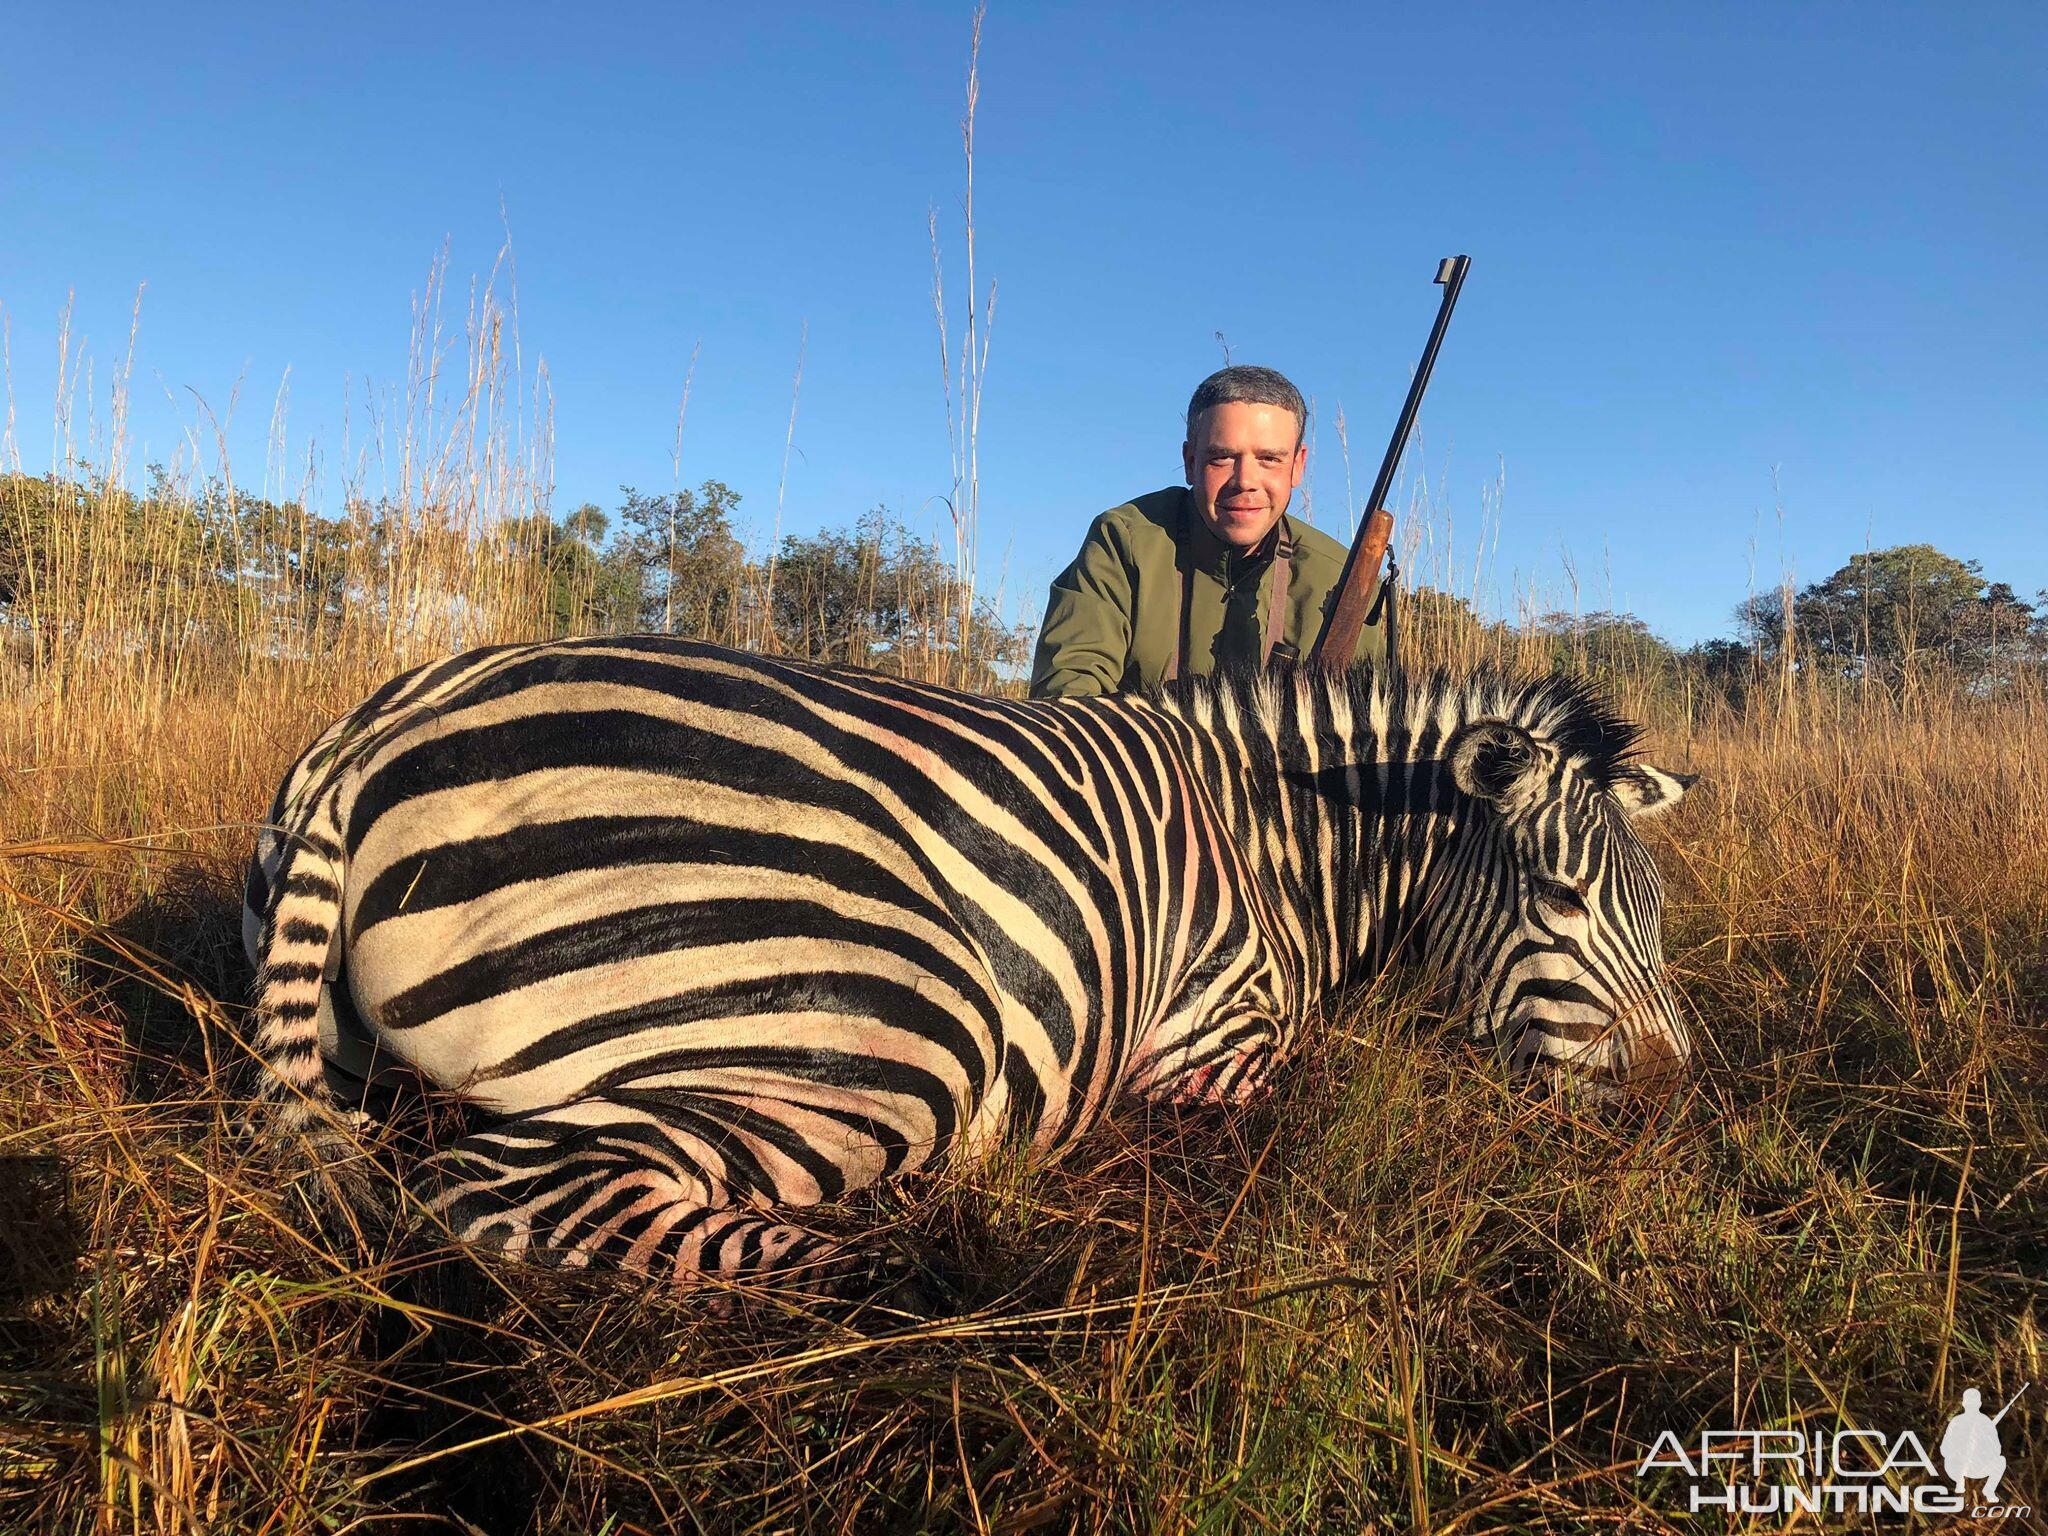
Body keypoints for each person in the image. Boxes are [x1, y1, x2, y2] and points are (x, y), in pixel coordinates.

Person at [1029, 365, 1387, 700]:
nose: (1244, 481)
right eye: (1222, 458)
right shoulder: (1123, 542)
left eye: (1269, 459)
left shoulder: (1340, 578)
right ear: (1190, 462)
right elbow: (1068, 694)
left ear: (1298, 466)